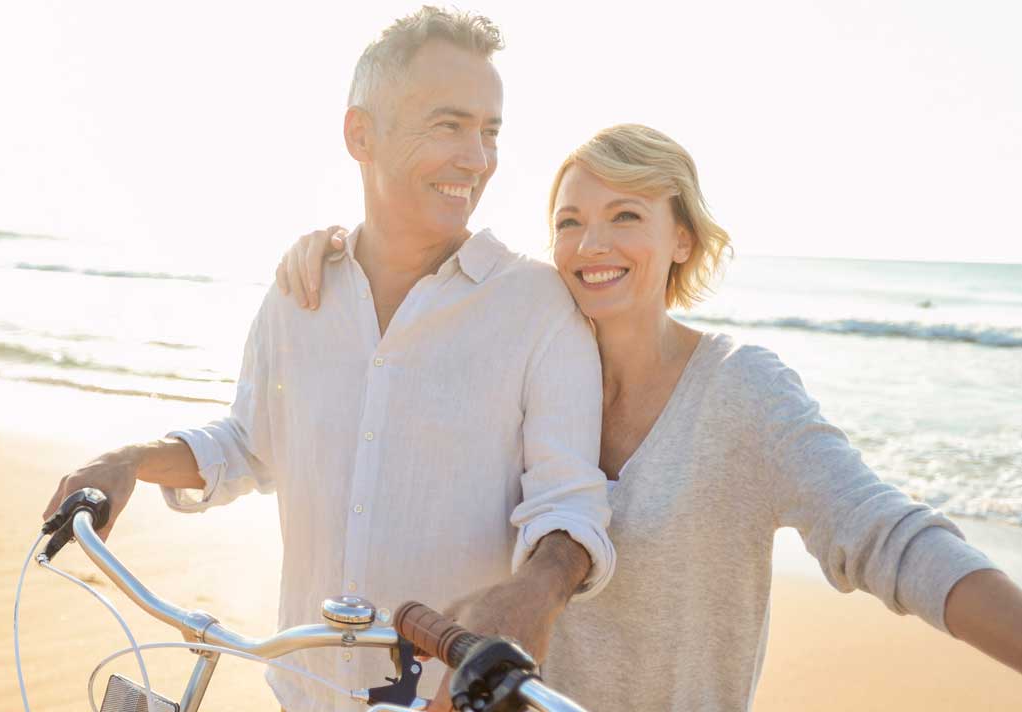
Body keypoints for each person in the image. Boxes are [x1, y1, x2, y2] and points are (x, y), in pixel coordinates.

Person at [277, 123, 1022, 709]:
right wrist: (336, 254)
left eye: (625, 214)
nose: (591, 244)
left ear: (683, 239)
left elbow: (886, 538)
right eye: (569, 222)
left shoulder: (743, 392)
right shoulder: (521, 365)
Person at [41, 8, 618, 711]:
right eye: (449, 124)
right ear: (361, 134)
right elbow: (249, 443)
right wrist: (130, 461)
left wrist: (537, 589)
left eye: (490, 131)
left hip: (448, 698)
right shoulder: (299, 293)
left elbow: (570, 499)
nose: (478, 158)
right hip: (302, 690)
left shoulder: (539, 306)